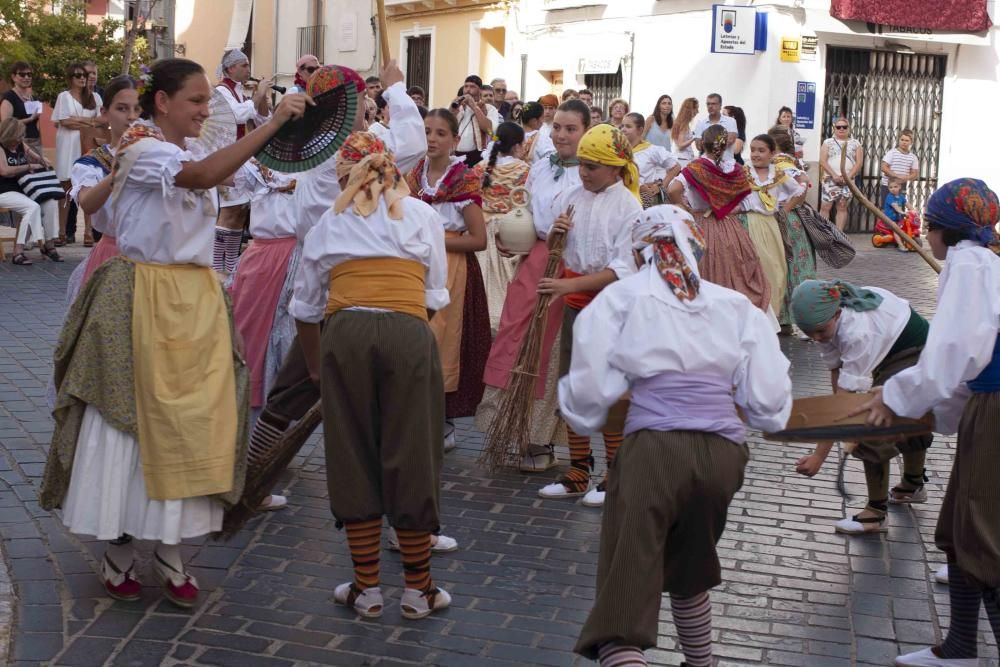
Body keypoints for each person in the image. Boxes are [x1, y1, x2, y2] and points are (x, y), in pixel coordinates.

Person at [39, 57, 310, 609]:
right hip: (142, 296)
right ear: (161, 102)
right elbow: (202, 178)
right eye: (195, 100)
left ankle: (171, 548)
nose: (205, 111)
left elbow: (244, 176)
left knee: (194, 422)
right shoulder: (141, 150)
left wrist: (302, 129)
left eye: (208, 101)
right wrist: (274, 120)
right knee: (129, 423)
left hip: (194, 299)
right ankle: (118, 544)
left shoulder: (182, 153)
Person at [567, 205, 792, 667]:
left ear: (638, 250)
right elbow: (769, 407)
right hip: (723, 456)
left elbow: (589, 400)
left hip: (655, 450)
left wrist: (593, 406)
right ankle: (701, 662)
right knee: (690, 569)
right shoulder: (737, 308)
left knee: (622, 612)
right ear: (698, 247)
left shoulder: (621, 299)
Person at [289, 131, 452, 620]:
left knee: (352, 450)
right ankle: (418, 591)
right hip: (407, 329)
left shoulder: (330, 220)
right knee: (414, 450)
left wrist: (318, 365)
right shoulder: (422, 214)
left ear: (347, 175)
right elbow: (435, 295)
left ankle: (367, 589)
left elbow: (305, 305)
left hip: (346, 332)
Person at [851, 178, 1000, 667]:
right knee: (960, 529)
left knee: (984, 539)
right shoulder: (980, 260)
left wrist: (897, 396)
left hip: (995, 406)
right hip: (986, 405)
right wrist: (945, 413)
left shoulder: (972, 266)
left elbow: (953, 352)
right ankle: (958, 646)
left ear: (939, 230)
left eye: (929, 227)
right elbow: (962, 365)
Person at [476, 99, 590, 474]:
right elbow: (525, 210)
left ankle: (542, 438)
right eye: (557, 126)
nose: (561, 135)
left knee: (551, 348)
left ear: (586, 131)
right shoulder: (539, 167)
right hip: (534, 262)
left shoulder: (594, 173)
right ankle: (514, 429)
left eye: (570, 128)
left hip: (571, 265)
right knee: (517, 339)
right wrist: (515, 238)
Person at [536, 123, 642, 507]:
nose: (584, 172)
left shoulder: (629, 206)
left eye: (594, 166)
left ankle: (615, 473)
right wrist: (555, 235)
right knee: (574, 387)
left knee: (610, 391)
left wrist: (567, 287)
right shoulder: (572, 195)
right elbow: (556, 247)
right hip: (576, 308)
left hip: (610, 309)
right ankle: (579, 470)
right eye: (582, 163)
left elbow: (622, 270)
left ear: (616, 168)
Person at [792, 280, 932, 535]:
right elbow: (838, 377)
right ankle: (912, 485)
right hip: (889, 348)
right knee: (897, 414)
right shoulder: (825, 320)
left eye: (820, 332)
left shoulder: (857, 332)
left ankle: (876, 514)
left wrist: (819, 456)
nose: (816, 338)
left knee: (873, 422)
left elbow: (848, 400)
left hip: (916, 350)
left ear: (837, 313)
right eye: (810, 333)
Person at [406, 109, 489, 451]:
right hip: (417, 268)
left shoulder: (463, 179)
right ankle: (417, 415)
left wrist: (432, 238)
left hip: (453, 269)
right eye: (427, 131)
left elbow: (479, 239)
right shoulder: (413, 176)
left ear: (456, 141)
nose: (432, 139)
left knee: (445, 341)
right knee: (417, 339)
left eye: (441, 133)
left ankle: (444, 421)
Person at [668, 124, 772, 323]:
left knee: (702, 269)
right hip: (729, 227)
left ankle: (702, 319)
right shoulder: (735, 169)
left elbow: (673, 189)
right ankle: (736, 319)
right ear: (727, 145)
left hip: (700, 224)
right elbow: (747, 200)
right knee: (737, 271)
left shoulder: (695, 168)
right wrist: (728, 209)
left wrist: (685, 208)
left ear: (700, 143)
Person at [66, 76, 141, 296]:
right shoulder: (93, 162)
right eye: (122, 108)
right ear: (105, 112)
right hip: (113, 256)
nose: (131, 117)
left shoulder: (161, 155)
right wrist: (119, 170)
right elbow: (88, 204)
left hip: (157, 257)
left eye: (138, 109)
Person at [214, 48, 273, 274]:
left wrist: (263, 100)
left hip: (239, 157)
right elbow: (236, 115)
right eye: (244, 65)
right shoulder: (221, 90)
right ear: (231, 68)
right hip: (226, 157)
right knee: (229, 212)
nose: (249, 69)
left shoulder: (238, 92)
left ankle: (229, 266)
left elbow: (262, 119)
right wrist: (256, 98)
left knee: (239, 212)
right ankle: (217, 265)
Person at [739, 133, 807, 322]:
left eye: (761, 150)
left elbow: (798, 190)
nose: (755, 154)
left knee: (777, 271)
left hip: (770, 225)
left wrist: (784, 210)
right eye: (753, 150)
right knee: (756, 269)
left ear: (772, 153)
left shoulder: (777, 173)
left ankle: (772, 318)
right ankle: (754, 316)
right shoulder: (744, 172)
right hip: (749, 222)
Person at [473, 121, 530, 330]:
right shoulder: (523, 169)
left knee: (483, 277)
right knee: (508, 280)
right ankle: (506, 322)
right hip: (512, 229)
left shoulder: (481, 168)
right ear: (516, 145)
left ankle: (482, 319)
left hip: (483, 227)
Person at [768, 126, 817, 333]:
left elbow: (804, 184)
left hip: (785, 217)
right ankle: (788, 319)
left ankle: (787, 317)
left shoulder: (780, 162)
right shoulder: (792, 160)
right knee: (793, 264)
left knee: (786, 264)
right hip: (793, 217)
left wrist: (785, 209)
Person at [52, 62, 103, 246]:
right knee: (65, 187)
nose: (83, 78)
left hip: (88, 144)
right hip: (68, 145)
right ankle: (62, 231)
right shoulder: (63, 97)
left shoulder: (95, 97)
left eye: (84, 75)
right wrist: (89, 122)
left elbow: (100, 121)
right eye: (78, 75)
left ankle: (88, 231)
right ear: (70, 79)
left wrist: (80, 120)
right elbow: (64, 122)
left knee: (87, 185)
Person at [0, 118, 60, 265]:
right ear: (9, 135)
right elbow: (5, 171)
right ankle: (18, 252)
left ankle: (49, 244)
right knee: (32, 207)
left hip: (23, 189)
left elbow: (37, 158)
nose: (21, 139)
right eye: (18, 136)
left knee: (50, 202)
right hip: (4, 191)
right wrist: (28, 167)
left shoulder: (20, 144)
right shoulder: (1, 147)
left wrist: (43, 161)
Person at [622, 112, 680, 209]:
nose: (623, 129)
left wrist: (661, 186)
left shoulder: (651, 150)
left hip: (643, 201)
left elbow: (676, 166)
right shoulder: (619, 151)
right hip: (624, 199)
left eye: (628, 126)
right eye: (622, 126)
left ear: (640, 130)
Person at [819, 117, 863, 232]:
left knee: (842, 206)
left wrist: (847, 177)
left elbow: (859, 163)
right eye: (839, 127)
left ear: (849, 128)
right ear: (835, 128)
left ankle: (839, 235)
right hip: (830, 178)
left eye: (844, 127)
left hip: (848, 180)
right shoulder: (828, 142)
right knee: (826, 206)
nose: (841, 129)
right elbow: (823, 161)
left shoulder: (855, 143)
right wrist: (834, 175)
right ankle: (823, 233)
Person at [451, 75, 498, 167]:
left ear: (480, 90)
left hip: (477, 156)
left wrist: (474, 107)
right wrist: (453, 109)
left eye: (472, 87)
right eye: (466, 86)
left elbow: (489, 131)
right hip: (455, 154)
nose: (468, 90)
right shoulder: (457, 106)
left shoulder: (489, 109)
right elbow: (445, 124)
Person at [1, 62, 42, 157]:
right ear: (13, 77)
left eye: (29, 74)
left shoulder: (34, 98)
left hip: (35, 142)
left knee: (39, 170)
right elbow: (6, 125)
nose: (26, 77)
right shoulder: (9, 97)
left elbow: (38, 123)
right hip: (17, 143)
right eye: (22, 74)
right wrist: (30, 119)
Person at [878, 177, 921, 251]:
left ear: (900, 187)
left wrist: (914, 210)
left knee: (905, 226)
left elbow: (907, 204)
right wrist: (901, 212)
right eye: (890, 187)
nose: (893, 189)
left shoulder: (901, 196)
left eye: (895, 187)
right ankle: (900, 246)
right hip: (889, 219)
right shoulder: (889, 197)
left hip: (898, 219)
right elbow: (895, 206)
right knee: (897, 230)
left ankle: (905, 240)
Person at [879, 129, 919, 205]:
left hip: (901, 186)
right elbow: (884, 167)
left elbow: (915, 174)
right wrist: (896, 175)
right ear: (899, 140)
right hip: (888, 185)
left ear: (911, 142)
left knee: (899, 207)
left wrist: (906, 178)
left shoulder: (913, 157)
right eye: (902, 140)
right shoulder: (892, 153)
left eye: (907, 140)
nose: (904, 142)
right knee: (886, 208)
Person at [694, 94, 737, 162]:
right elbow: (698, 146)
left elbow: (730, 140)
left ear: (720, 105)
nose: (710, 106)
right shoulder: (700, 122)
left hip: (726, 163)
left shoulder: (730, 121)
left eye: (713, 104)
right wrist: (721, 140)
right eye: (708, 104)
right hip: (707, 164)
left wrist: (708, 141)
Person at [671, 97, 698, 168]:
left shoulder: (680, 122)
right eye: (696, 109)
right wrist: (694, 137)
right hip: (683, 161)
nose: (697, 111)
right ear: (690, 109)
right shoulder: (683, 124)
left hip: (681, 159)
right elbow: (680, 146)